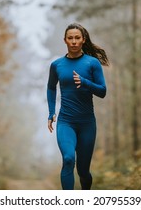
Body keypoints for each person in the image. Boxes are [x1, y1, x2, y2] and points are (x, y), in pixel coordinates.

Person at [46, 23, 109, 190]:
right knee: (68, 159)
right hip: (66, 121)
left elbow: (102, 91)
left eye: (77, 38)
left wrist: (85, 82)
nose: (74, 41)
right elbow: (51, 87)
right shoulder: (57, 65)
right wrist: (51, 112)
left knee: (83, 171)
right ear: (65, 40)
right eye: (70, 38)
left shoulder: (92, 63)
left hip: (87, 123)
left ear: (83, 40)